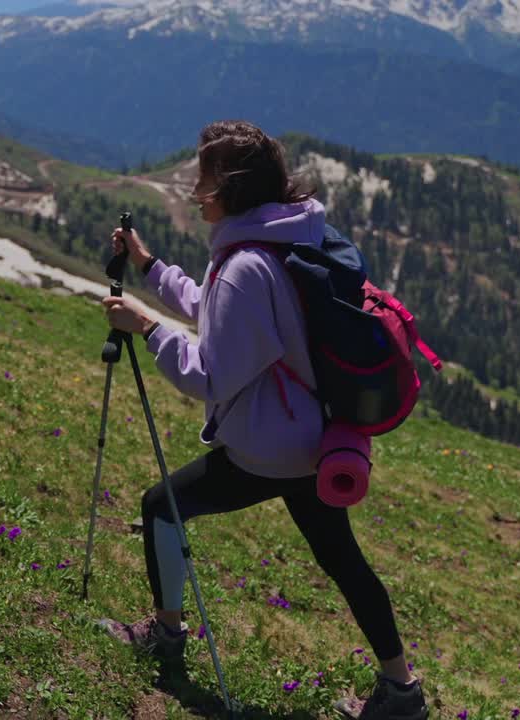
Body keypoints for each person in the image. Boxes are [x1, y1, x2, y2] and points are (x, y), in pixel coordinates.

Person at [97, 120, 428, 720]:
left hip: (268, 450)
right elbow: (215, 310)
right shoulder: (281, 238)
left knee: (160, 506)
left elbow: (208, 375)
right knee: (343, 560)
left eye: (202, 176)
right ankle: (402, 690)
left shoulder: (246, 263)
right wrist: (149, 264)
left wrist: (145, 327)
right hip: (314, 440)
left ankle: (166, 637)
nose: (195, 187)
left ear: (227, 185)